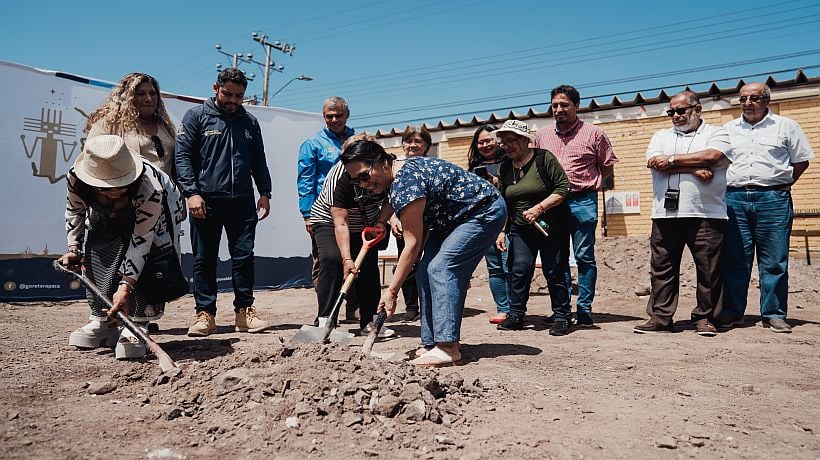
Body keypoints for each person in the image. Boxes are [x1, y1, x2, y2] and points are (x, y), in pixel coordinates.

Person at [340, 139, 507, 367]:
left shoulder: (407, 181)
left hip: (482, 211)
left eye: (364, 176)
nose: (362, 184)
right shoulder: (395, 176)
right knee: (423, 272)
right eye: (355, 180)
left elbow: (412, 244)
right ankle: (431, 343)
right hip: (449, 219)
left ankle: (447, 346)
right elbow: (392, 197)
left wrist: (391, 291)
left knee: (441, 267)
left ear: (381, 162)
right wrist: (381, 221)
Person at [60, 135, 185, 359]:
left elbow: (141, 242)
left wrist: (125, 286)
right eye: (106, 188)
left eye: (120, 185)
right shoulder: (76, 179)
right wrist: (73, 248)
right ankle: (102, 320)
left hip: (155, 214)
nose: (114, 190)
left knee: (150, 258)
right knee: (99, 246)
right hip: (105, 216)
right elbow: (74, 211)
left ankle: (137, 322)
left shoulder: (150, 188)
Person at [175, 68, 273, 337]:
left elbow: (258, 161)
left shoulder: (250, 122)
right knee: (204, 259)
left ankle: (244, 313)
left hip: (242, 202)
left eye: (239, 96)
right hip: (205, 201)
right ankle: (205, 315)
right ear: (215, 88)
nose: (232, 100)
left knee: (244, 258)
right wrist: (191, 193)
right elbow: (182, 157)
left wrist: (265, 192)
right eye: (228, 94)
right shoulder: (196, 117)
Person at [633, 91, 732, 336]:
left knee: (709, 270)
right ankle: (660, 318)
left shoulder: (716, 133)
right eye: (671, 112)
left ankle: (706, 318)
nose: (676, 116)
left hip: (707, 213)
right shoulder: (661, 136)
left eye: (681, 111)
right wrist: (697, 169)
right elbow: (655, 161)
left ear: (697, 110)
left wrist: (674, 161)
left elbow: (714, 156)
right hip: (666, 215)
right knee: (662, 268)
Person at [720, 82, 814, 333]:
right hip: (734, 199)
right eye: (742, 99)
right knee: (735, 259)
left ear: (766, 100)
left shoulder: (786, 126)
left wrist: (783, 184)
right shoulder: (728, 130)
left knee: (774, 260)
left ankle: (773, 314)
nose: (747, 103)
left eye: (753, 98)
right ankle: (732, 312)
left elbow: (801, 161)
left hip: (773, 199)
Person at [534, 84, 618, 327]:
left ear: (576, 106)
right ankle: (561, 309)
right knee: (555, 257)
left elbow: (607, 165)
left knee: (584, 256)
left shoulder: (595, 134)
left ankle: (584, 309)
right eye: (555, 105)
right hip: (552, 204)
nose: (559, 109)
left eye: (564, 105)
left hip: (583, 200)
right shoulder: (542, 135)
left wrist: (593, 184)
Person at [492, 120, 573, 336]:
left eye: (511, 141)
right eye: (503, 142)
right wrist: (501, 230)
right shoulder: (505, 167)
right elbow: (504, 201)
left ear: (525, 140)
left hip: (550, 226)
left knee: (554, 269)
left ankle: (562, 316)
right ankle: (516, 314)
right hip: (520, 228)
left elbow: (563, 187)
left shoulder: (543, 158)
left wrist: (539, 208)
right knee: (519, 269)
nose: (506, 146)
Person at [310, 133, 394, 337]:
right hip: (330, 222)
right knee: (331, 259)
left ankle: (370, 321)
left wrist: (382, 222)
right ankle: (325, 320)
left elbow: (392, 198)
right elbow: (340, 220)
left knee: (369, 268)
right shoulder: (341, 175)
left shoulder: (386, 169)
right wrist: (347, 258)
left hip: (368, 223)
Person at [296, 97, 358, 319]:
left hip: (353, 212)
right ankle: (327, 313)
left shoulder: (356, 140)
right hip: (324, 213)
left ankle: (354, 309)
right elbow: (305, 182)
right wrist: (307, 214)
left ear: (347, 115)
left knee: (354, 258)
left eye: (338, 115)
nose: (333, 119)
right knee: (327, 261)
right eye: (328, 116)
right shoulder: (312, 144)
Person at [85, 73, 176, 176]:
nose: (149, 99)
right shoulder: (109, 125)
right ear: (127, 97)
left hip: (167, 191)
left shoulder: (166, 126)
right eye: (141, 93)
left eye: (152, 93)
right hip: (126, 189)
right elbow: (90, 158)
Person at [466, 124, 511, 324]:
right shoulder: (472, 170)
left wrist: (498, 183)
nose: (485, 145)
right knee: (494, 268)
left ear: (498, 141)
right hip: (484, 224)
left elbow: (513, 195)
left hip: (509, 223)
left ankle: (516, 308)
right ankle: (503, 309)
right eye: (481, 141)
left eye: (489, 140)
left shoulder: (510, 163)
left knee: (511, 266)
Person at [388, 126, 433, 321]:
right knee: (405, 263)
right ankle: (411, 306)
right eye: (409, 141)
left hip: (429, 222)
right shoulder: (395, 166)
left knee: (428, 263)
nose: (413, 145)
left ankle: (429, 305)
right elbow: (388, 198)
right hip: (403, 222)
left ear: (426, 146)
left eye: (418, 141)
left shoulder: (432, 165)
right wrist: (393, 219)